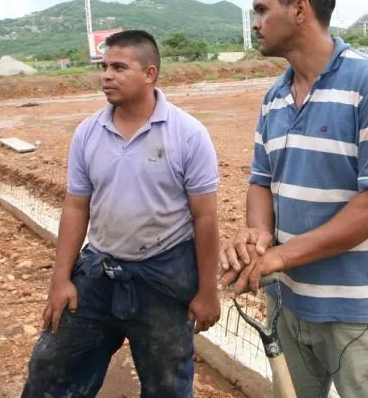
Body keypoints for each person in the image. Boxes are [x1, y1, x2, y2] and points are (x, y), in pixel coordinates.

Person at [218, 0, 368, 398]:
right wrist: (256, 237)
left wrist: (280, 259)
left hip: (356, 312)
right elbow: (260, 181)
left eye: (263, 10)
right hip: (286, 304)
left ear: (300, 10)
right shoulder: (274, 98)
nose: (256, 23)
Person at [21, 29, 221, 398]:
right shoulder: (88, 133)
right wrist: (61, 279)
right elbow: (76, 206)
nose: (106, 76)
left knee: (167, 385)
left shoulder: (188, 134)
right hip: (98, 273)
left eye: (118, 67)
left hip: (163, 278)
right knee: (51, 366)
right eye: (104, 66)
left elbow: (205, 219)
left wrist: (208, 292)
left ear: (149, 74)